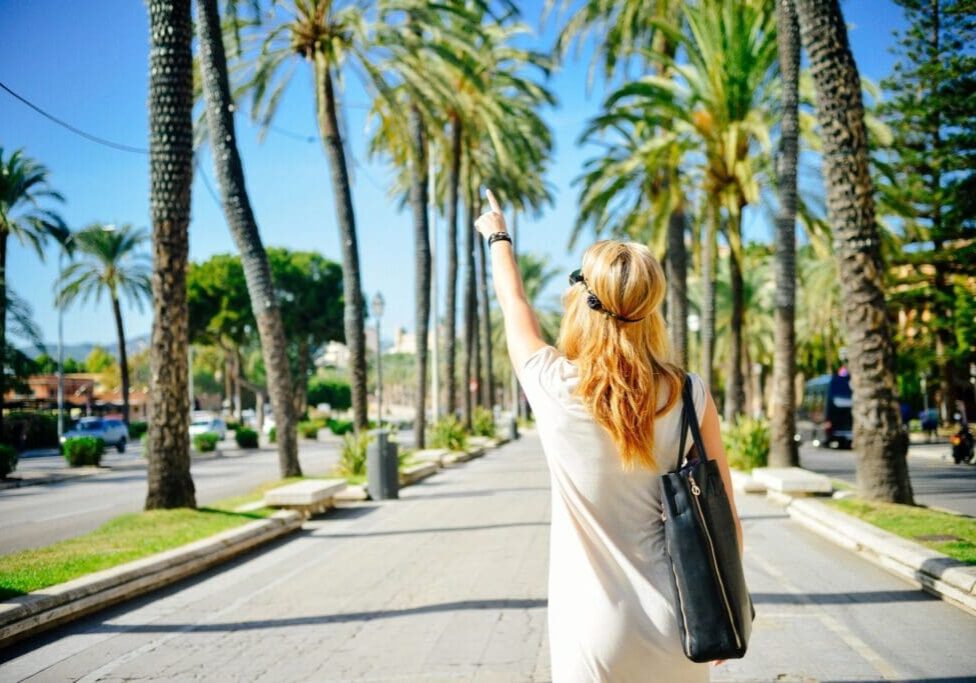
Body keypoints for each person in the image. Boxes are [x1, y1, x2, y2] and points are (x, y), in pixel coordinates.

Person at [476, 189, 744, 682]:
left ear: (581, 301)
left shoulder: (553, 383)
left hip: (591, 630)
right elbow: (724, 517)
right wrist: (728, 606)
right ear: (652, 306)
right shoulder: (687, 394)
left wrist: (497, 233)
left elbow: (513, 303)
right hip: (681, 625)